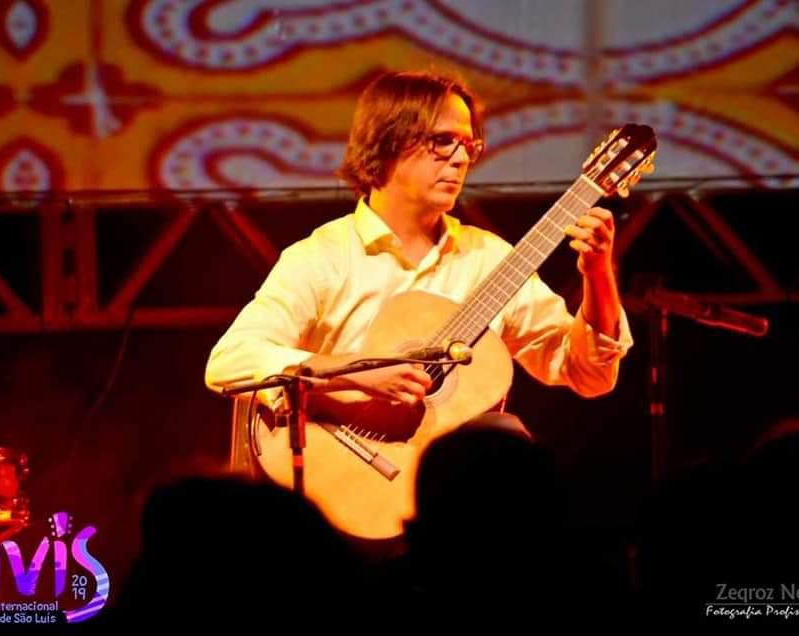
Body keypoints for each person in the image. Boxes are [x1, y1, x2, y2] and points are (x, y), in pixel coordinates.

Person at [204, 69, 633, 432]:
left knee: (509, 438)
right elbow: (228, 361)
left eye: (468, 146)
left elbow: (589, 375)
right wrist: (352, 371)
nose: (461, 159)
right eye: (443, 141)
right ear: (388, 140)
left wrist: (598, 274)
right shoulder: (322, 258)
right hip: (338, 481)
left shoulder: (489, 259)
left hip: (450, 485)